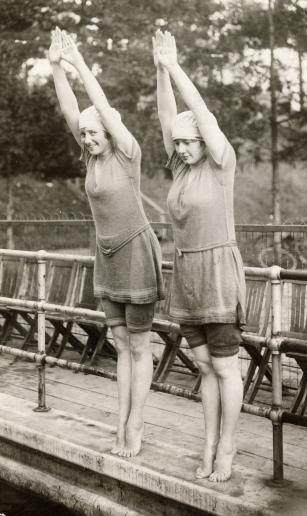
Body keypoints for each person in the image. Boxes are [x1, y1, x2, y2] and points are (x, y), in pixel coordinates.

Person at [49, 27, 164, 457]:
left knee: (139, 345)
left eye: (94, 135)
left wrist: (79, 63)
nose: (88, 139)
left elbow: (100, 111)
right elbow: (71, 109)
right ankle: (121, 427)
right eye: (85, 136)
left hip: (135, 252)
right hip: (107, 255)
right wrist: (55, 66)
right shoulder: (91, 155)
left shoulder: (125, 153)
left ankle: (136, 428)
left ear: (110, 134)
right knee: (119, 345)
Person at [153, 30, 246, 482]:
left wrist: (175, 66)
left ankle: (227, 449)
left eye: (189, 142)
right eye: (179, 143)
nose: (182, 148)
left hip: (218, 274)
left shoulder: (219, 162)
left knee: (226, 366)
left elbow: (201, 115)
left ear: (204, 142)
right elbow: (167, 115)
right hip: (188, 273)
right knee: (206, 365)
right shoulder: (182, 168)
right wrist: (159, 71)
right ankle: (207, 444)